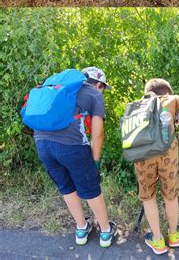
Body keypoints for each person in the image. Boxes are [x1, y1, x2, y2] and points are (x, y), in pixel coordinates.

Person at [31, 67, 117, 248]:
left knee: (66, 187)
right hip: (71, 147)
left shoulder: (59, 87)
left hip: (42, 144)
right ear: (99, 84)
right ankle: (105, 232)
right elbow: (98, 133)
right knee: (91, 187)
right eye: (103, 88)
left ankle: (81, 228)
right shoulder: (94, 94)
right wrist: (95, 160)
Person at [134, 78, 179, 255]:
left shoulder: (136, 105)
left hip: (143, 155)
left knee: (148, 197)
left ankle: (157, 240)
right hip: (167, 154)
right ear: (166, 92)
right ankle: (174, 236)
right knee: (171, 196)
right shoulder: (170, 100)